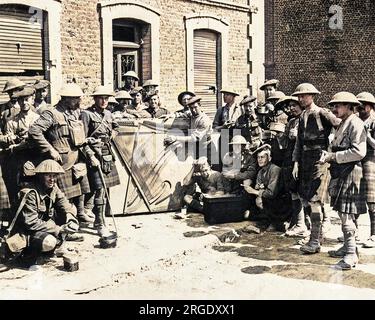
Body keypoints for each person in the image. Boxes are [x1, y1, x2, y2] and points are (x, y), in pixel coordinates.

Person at [29, 83, 93, 231]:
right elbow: (34, 131)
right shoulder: (51, 113)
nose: (79, 102)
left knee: (75, 197)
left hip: (75, 162)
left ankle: (73, 225)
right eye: (76, 99)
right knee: (61, 199)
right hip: (60, 165)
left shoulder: (74, 113)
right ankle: (61, 231)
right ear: (66, 99)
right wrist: (49, 149)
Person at [0, 160, 79, 269]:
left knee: (72, 210)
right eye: (48, 176)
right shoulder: (30, 192)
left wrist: (71, 219)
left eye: (54, 176)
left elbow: (65, 204)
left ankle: (53, 248)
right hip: (25, 233)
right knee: (49, 242)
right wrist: (58, 229)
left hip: (42, 227)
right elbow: (31, 223)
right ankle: (25, 258)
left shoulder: (53, 188)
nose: (52, 179)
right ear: (40, 176)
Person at [291, 83, 341, 254]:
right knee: (306, 197)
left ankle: (314, 241)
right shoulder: (302, 115)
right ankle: (317, 235)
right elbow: (298, 142)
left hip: (319, 160)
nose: (300, 99)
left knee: (314, 200)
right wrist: (296, 162)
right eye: (299, 96)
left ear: (312, 96)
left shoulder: (322, 113)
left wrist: (332, 146)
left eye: (304, 96)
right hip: (305, 160)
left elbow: (340, 125)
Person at [321, 92, 366, 270]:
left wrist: (333, 156)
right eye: (333, 106)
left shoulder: (356, 123)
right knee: (343, 214)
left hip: (351, 172)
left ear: (349, 106)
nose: (334, 109)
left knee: (347, 215)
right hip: (341, 171)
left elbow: (359, 152)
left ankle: (350, 256)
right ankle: (349, 248)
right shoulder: (342, 124)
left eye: (338, 105)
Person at [81, 86, 121, 237]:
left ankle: (101, 218)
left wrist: (113, 135)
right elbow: (82, 140)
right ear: (95, 99)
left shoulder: (109, 114)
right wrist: (90, 156)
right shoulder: (87, 114)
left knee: (106, 189)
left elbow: (116, 127)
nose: (104, 101)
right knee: (99, 190)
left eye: (106, 98)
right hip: (95, 154)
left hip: (107, 154)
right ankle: (99, 224)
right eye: (100, 98)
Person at [276, 96, 308, 237]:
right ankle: (299, 223)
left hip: (303, 159)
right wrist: (279, 135)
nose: (292, 108)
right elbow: (285, 143)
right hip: (290, 159)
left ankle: (318, 223)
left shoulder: (307, 118)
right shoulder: (291, 121)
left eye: (294, 105)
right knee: (293, 190)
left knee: (306, 193)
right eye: (290, 106)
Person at [3, 87, 40, 203]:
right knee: (17, 191)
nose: (24, 103)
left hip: (36, 159)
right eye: (21, 100)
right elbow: (9, 142)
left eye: (26, 99)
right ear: (17, 102)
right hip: (18, 162)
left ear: (32, 100)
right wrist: (12, 140)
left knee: (36, 190)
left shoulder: (38, 119)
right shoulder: (12, 121)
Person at [244, 144, 292, 232]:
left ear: (269, 158)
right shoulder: (260, 172)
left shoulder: (275, 170)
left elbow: (271, 193)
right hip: (267, 199)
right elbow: (258, 186)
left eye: (262, 157)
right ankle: (269, 221)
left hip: (281, 202)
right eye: (258, 157)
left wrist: (255, 191)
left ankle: (278, 222)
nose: (260, 159)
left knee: (266, 200)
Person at [164, 96, 212, 160]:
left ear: (200, 105)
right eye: (191, 108)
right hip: (195, 148)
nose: (193, 110)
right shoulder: (192, 114)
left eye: (195, 107)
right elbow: (182, 114)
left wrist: (176, 138)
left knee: (204, 167)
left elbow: (194, 138)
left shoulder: (204, 120)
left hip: (205, 149)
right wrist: (171, 115)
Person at [356, 92, 375, 249]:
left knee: (371, 197)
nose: (359, 110)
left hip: (371, 159)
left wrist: (367, 135)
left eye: (362, 107)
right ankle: (352, 231)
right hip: (357, 158)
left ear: (369, 106)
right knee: (354, 194)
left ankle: (374, 234)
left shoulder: (374, 121)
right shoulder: (357, 119)